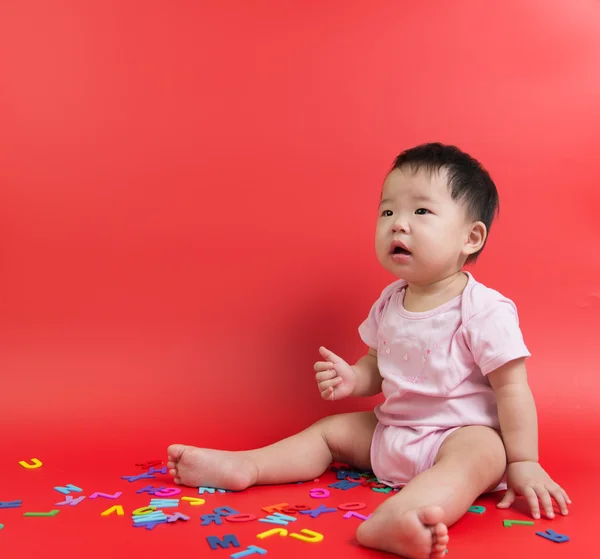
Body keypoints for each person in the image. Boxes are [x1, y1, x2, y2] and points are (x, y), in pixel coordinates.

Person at [167, 143, 570, 559]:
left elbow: (512, 389)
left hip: (456, 436)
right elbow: (378, 364)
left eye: (421, 212)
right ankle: (248, 466)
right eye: (387, 212)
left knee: (483, 453)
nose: (398, 225)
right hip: (391, 430)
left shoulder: (484, 310)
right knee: (330, 432)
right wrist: (354, 378)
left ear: (471, 237)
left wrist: (523, 460)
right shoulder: (390, 301)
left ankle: (405, 514)